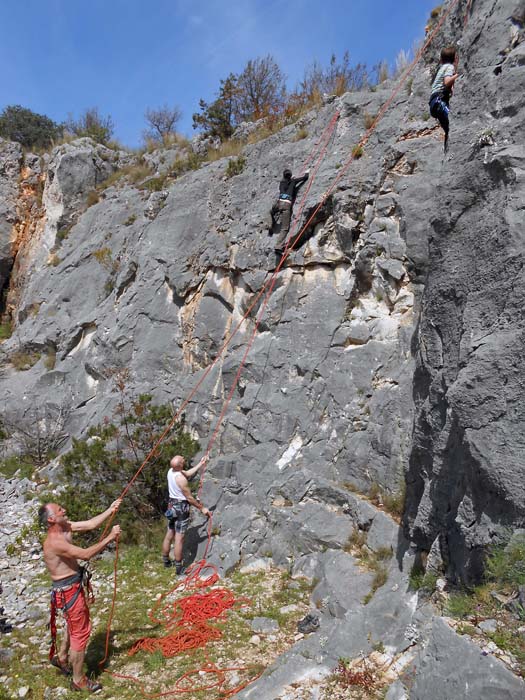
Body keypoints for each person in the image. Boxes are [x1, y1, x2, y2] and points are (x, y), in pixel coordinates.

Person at [39, 499, 122, 693]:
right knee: (80, 633)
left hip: (70, 588)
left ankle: (61, 657)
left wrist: (110, 510)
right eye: (60, 510)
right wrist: (110, 537)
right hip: (68, 591)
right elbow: (85, 554)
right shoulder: (55, 542)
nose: (65, 510)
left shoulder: (64, 527)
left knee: (73, 625)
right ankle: (78, 680)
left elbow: (90, 524)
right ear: (52, 519)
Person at [161, 455, 211, 574]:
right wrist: (202, 508)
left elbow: (187, 473)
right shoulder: (181, 480)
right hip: (181, 508)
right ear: (179, 465)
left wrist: (201, 463)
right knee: (179, 538)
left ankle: (166, 561)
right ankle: (179, 568)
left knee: (169, 534)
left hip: (171, 505)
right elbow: (189, 498)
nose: (184, 458)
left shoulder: (171, 471)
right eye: (182, 459)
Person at [270, 168, 309, 255]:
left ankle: (270, 224)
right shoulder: (294, 181)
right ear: (291, 176)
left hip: (279, 203)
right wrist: (307, 172)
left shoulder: (282, 183)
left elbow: (286, 184)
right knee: (285, 228)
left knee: (271, 211)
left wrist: (291, 180)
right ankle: (278, 246)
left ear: (284, 176)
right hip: (286, 205)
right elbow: (305, 178)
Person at [429, 47, 459, 151]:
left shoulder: (441, 68)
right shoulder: (450, 67)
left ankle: (448, 149)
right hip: (439, 101)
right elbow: (447, 82)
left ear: (441, 59)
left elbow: (448, 86)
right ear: (455, 59)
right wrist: (457, 76)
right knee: (453, 123)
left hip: (435, 103)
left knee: (448, 129)